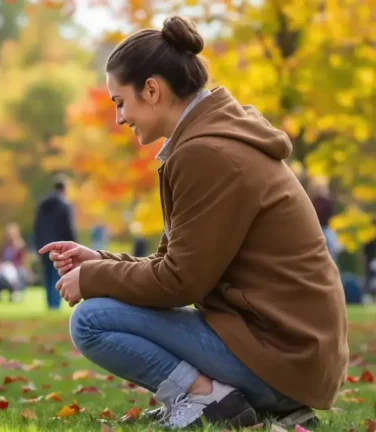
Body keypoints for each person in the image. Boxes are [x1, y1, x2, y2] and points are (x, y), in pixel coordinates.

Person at [38, 16, 347, 429]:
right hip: (286, 355)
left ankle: (208, 400)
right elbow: (176, 264)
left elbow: (180, 283)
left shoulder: (208, 154)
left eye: (120, 102)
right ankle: (210, 396)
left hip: (281, 360)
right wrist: (99, 260)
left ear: (152, 90)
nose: (119, 118)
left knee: (91, 320)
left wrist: (93, 278)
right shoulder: (211, 140)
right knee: (99, 310)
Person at [33, 175, 78, 310]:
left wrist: (37, 244)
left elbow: (37, 226)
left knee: (47, 275)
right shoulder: (65, 206)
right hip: (59, 246)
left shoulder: (42, 205)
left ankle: (49, 303)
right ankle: (54, 304)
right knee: (57, 274)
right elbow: (69, 227)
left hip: (43, 245)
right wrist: (75, 244)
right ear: (64, 189)